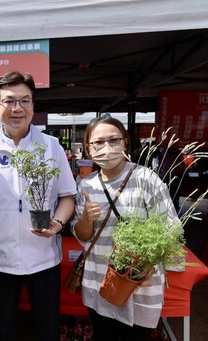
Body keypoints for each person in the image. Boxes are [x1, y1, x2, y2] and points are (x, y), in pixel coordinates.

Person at [0, 71, 76, 340]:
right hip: (0, 259)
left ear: (33, 106)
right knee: (3, 328)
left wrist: (58, 223)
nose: (17, 108)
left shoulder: (51, 147)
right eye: (10, 101)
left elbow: (68, 196)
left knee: (47, 328)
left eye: (25, 101)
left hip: (45, 258)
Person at [72, 116, 178, 340]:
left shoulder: (146, 179)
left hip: (138, 285)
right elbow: (83, 237)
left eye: (113, 140)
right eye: (98, 143)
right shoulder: (86, 184)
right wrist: (85, 218)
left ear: (125, 143)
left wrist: (146, 267)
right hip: (98, 283)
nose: (106, 148)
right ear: (88, 148)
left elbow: (171, 228)